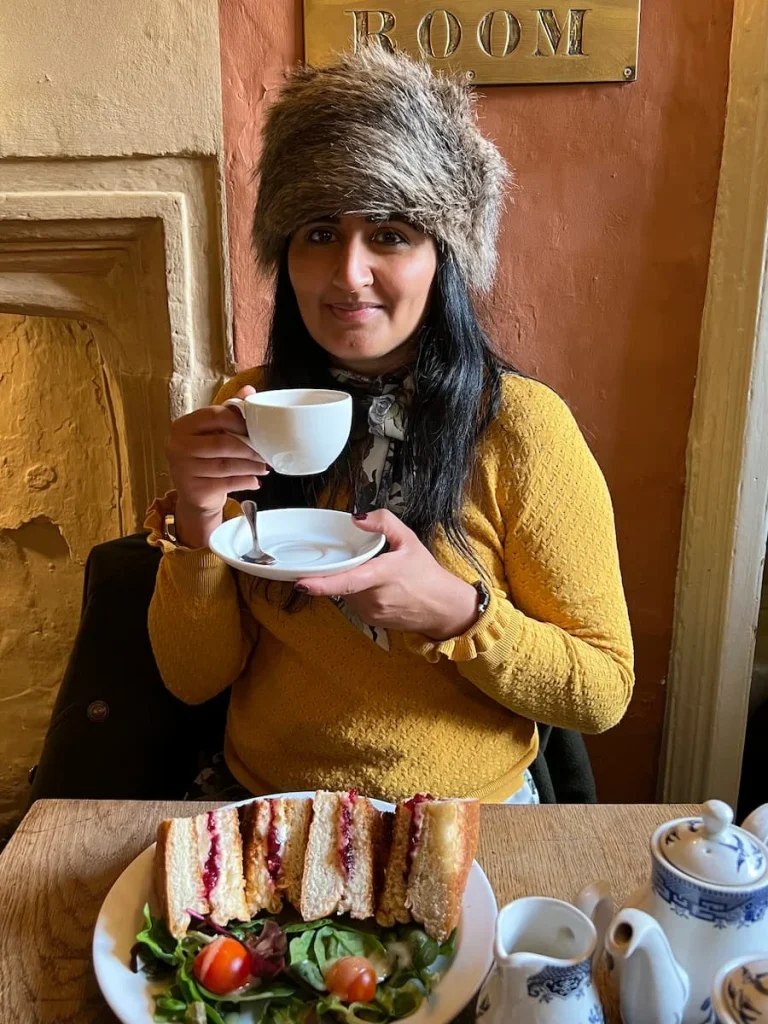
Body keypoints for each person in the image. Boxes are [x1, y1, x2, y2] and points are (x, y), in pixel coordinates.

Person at [145, 47, 634, 805]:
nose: (348, 273)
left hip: (466, 817)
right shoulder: (248, 409)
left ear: (444, 255)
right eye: (317, 233)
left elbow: (603, 692)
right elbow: (191, 679)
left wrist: (458, 612)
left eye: (390, 234)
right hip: (270, 806)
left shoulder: (520, 429)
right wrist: (197, 518)